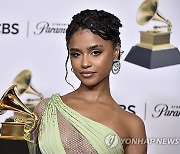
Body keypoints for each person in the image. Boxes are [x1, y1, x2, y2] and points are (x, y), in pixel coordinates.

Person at [33, 9, 147, 154]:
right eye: (76, 54)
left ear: (116, 51)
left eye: (95, 52)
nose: (85, 63)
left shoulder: (132, 125)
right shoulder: (46, 109)